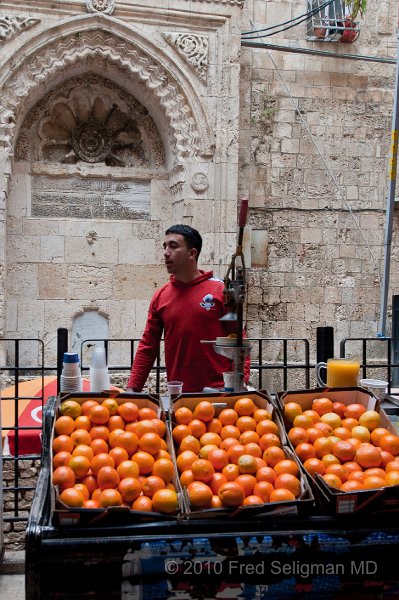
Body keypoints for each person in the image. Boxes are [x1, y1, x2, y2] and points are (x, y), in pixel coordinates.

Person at [126, 224, 249, 393]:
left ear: (192, 253)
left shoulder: (221, 291)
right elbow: (148, 346)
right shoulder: (161, 296)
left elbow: (239, 342)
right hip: (180, 395)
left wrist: (240, 383)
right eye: (165, 246)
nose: (166, 252)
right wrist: (132, 389)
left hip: (220, 392)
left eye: (173, 246)